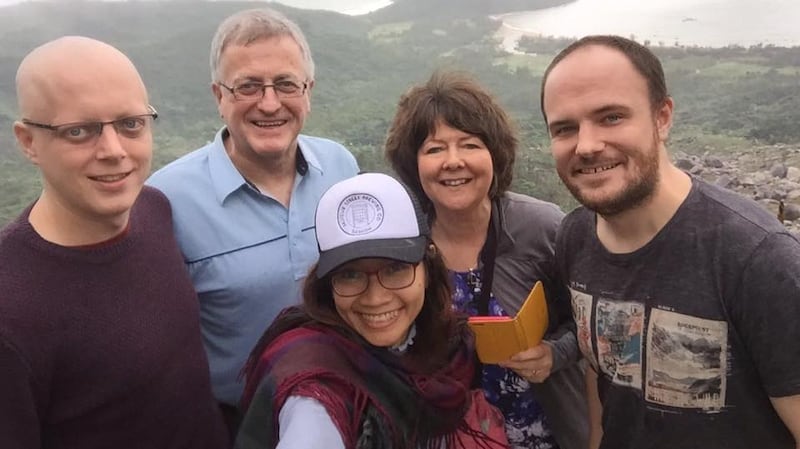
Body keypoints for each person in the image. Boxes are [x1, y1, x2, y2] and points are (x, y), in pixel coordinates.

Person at [540, 35, 800, 449]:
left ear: (662, 118)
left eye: (611, 117)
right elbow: (601, 371)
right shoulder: (575, 236)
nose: (586, 145)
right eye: (565, 128)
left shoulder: (757, 258)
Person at [0, 36, 227, 448]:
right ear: (29, 141)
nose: (113, 150)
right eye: (78, 131)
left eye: (130, 124)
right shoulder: (10, 309)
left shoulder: (154, 209)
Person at [147, 7, 359, 433]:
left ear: (308, 91)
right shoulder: (165, 200)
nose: (269, 103)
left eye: (286, 84)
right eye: (248, 86)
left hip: (348, 402)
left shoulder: (340, 166)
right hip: (235, 424)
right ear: (219, 96)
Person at [385, 70, 588, 449]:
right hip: (444, 435)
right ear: (414, 164)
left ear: (494, 154)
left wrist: (553, 354)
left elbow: (595, 321)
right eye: (434, 149)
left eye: (470, 145)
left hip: (544, 434)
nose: (453, 161)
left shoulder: (541, 227)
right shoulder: (402, 240)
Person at [235, 172, 508, 448]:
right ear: (328, 284)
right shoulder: (315, 372)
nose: (376, 299)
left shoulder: (446, 343)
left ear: (428, 268)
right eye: (350, 275)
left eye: (395, 269)